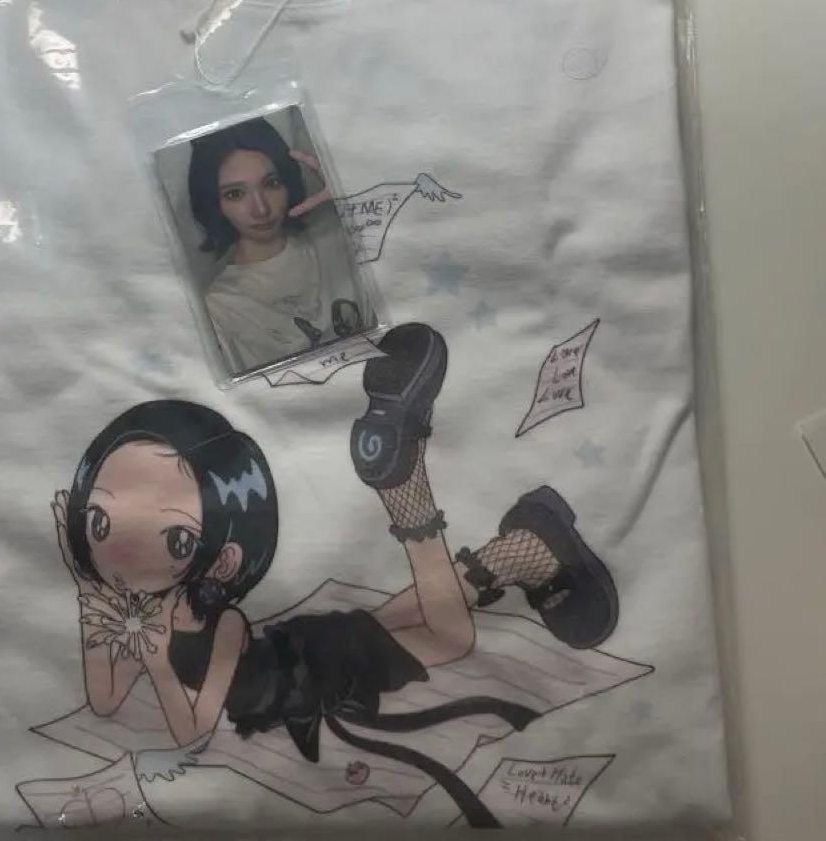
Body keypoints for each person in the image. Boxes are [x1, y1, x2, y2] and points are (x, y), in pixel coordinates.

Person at [51, 324, 619, 826]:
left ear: (223, 559)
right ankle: (522, 550)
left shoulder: (221, 624)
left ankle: (408, 491)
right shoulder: (147, 615)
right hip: (312, 649)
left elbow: (193, 729)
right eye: (99, 521)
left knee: (451, 637)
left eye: (175, 538)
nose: (122, 553)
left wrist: (157, 663)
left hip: (314, 674)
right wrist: (89, 604)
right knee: (416, 613)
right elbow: (105, 699)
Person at [186, 117, 372, 372]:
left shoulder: (339, 242)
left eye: (271, 184)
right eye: (235, 194)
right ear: (214, 204)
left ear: (288, 182)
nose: (261, 209)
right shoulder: (219, 307)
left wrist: (360, 196)